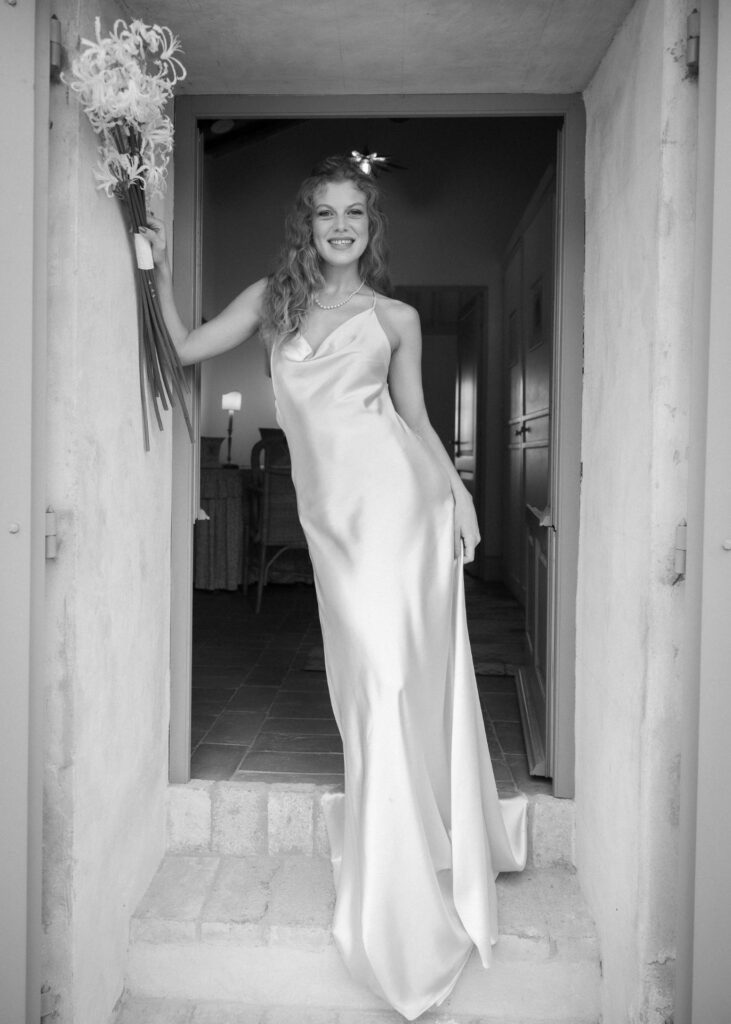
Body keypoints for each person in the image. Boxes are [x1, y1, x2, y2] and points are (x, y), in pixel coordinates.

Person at [142, 154, 527, 1021]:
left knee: (390, 676)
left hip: (400, 508)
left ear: (370, 224)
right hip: (334, 525)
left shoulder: (396, 316)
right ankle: (402, 834)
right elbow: (185, 344)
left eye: (354, 211)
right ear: (306, 226)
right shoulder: (270, 302)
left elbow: (416, 421)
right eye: (325, 213)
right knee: (364, 681)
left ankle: (396, 874)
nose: (341, 225)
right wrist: (152, 267)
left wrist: (459, 496)